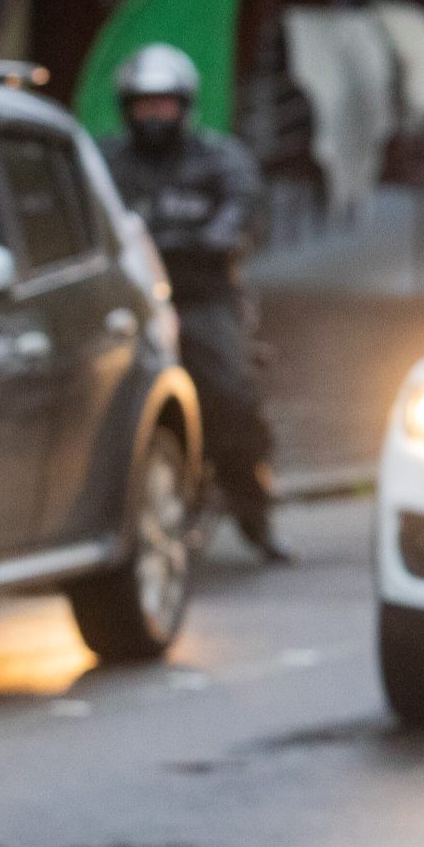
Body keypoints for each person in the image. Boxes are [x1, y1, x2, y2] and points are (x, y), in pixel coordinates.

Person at [101, 43, 289, 563]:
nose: (154, 115)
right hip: (131, 302)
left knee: (231, 395)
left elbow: (245, 206)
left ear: (184, 106)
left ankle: (256, 512)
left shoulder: (220, 158)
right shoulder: (107, 162)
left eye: (164, 104)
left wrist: (220, 235)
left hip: (203, 295)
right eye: (144, 105)